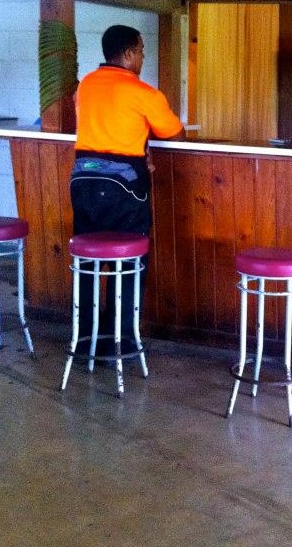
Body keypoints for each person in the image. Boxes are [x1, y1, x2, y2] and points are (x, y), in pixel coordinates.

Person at [70, 24, 185, 352]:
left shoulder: (86, 85)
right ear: (130, 53)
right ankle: (121, 341)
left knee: (89, 264)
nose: (144, 57)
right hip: (124, 190)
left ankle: (86, 340)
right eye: (142, 51)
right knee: (128, 265)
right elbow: (174, 135)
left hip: (83, 183)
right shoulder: (143, 93)